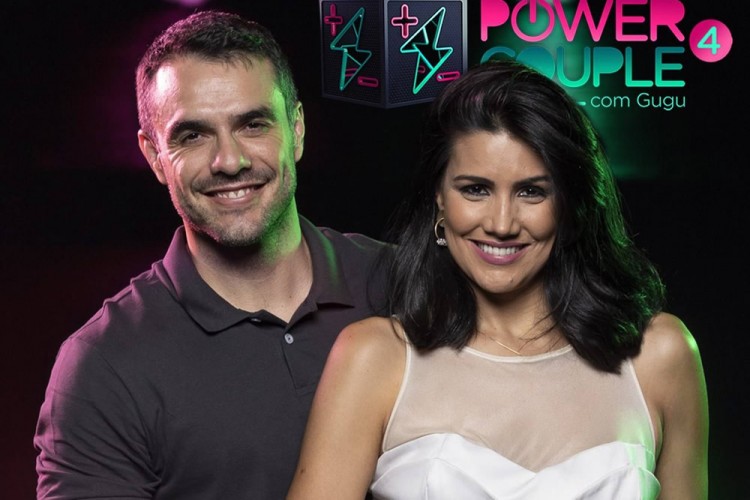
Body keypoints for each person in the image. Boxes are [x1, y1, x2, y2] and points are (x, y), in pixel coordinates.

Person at [286, 59, 709, 499]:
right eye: (475, 189)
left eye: (531, 191)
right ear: (439, 199)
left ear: (568, 203)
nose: (501, 223)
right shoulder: (375, 358)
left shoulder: (660, 355)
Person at [34, 10, 387, 499]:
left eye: (253, 124)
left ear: (298, 129)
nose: (230, 161)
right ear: (155, 157)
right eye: (193, 135)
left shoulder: (404, 283)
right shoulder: (103, 367)